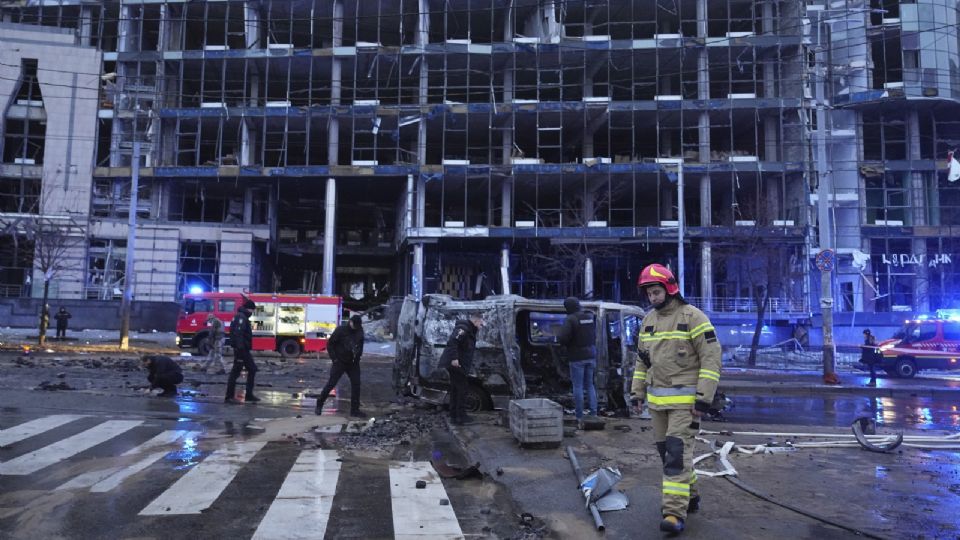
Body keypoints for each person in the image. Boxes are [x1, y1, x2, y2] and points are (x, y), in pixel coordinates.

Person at [631, 263, 722, 535]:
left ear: (670, 289)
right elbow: (641, 362)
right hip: (657, 405)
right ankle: (690, 495)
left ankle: (673, 513)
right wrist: (636, 393)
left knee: (676, 456)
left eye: (656, 292)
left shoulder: (693, 317)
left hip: (686, 406)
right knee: (669, 455)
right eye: (649, 293)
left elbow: (711, 357)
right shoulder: (648, 321)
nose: (653, 298)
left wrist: (704, 398)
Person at [556, 297, 598, 424]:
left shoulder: (571, 319)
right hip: (591, 355)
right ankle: (593, 413)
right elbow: (593, 335)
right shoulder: (589, 317)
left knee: (578, 386)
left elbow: (562, 338)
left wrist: (562, 342)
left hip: (577, 357)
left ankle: (579, 415)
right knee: (590, 385)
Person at [315, 315, 366, 417]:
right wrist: (335, 359)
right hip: (340, 362)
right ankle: (319, 404)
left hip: (353, 363)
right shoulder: (341, 330)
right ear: (350, 322)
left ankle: (354, 410)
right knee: (331, 383)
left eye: (357, 326)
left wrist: (358, 357)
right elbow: (330, 345)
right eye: (354, 325)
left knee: (356, 385)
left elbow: (361, 345)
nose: (355, 327)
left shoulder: (359, 331)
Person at [439, 313, 483, 425]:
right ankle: (461, 416)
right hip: (455, 364)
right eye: (481, 322)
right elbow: (453, 342)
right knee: (462, 389)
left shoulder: (470, 330)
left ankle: (454, 415)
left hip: (458, 364)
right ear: (476, 321)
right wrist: (455, 358)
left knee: (455, 389)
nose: (482, 324)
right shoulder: (463, 329)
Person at [225, 299, 260, 403]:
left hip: (243, 349)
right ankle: (229, 397)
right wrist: (239, 349)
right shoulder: (241, 317)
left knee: (252, 369)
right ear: (248, 308)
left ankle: (248, 395)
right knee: (236, 372)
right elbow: (238, 334)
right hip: (241, 349)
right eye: (252, 310)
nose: (252, 313)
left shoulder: (242, 316)